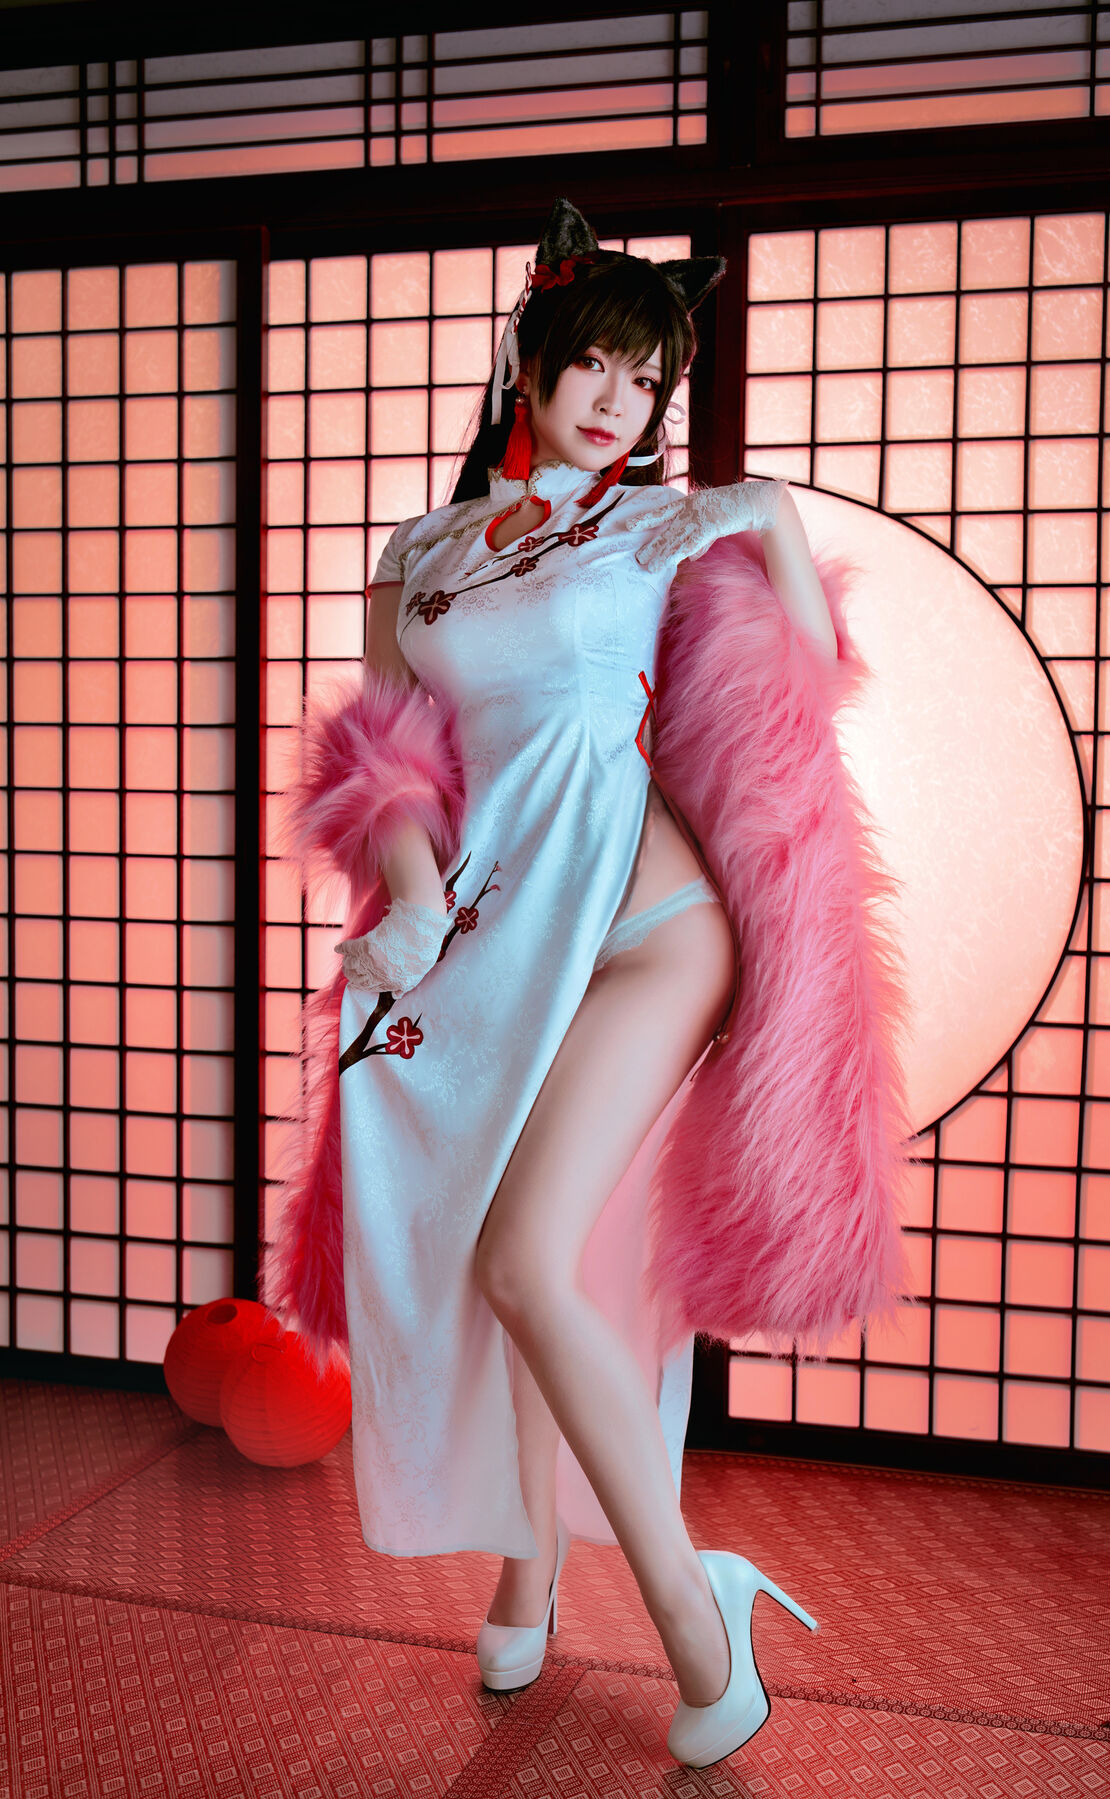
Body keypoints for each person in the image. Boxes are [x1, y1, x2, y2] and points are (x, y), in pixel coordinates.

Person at [263, 197, 909, 1769]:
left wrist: (761, 515)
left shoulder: (654, 529)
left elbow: (808, 676)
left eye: (648, 379)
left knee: (528, 1262)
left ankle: (699, 1616)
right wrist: (412, 899)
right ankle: (529, 1566)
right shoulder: (420, 557)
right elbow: (392, 752)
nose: (622, 400)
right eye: (598, 365)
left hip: (652, 929)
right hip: (502, 937)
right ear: (532, 360)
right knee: (493, 1244)